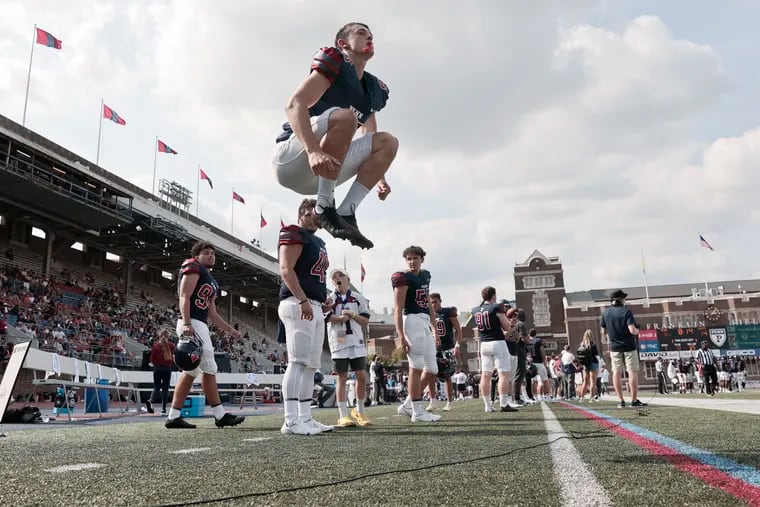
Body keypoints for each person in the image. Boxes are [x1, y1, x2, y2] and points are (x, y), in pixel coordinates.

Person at [273, 22, 399, 250]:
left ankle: (346, 211)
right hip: (293, 159)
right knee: (345, 117)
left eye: (372, 36)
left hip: (324, 172)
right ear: (343, 44)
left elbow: (369, 133)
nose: (370, 38)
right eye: (362, 34)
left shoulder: (374, 88)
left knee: (388, 141)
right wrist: (312, 151)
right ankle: (324, 207)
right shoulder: (336, 61)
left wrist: (380, 177)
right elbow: (294, 104)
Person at [165, 241, 245, 429]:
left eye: (213, 253)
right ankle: (220, 415)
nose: (211, 256)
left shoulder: (210, 279)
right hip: (191, 322)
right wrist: (186, 323)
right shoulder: (193, 267)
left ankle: (173, 416)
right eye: (207, 252)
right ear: (197, 255)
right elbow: (184, 296)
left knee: (191, 372)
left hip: (199, 323)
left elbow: (213, 314)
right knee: (209, 366)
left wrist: (231, 330)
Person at [278, 198, 335, 435]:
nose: (318, 216)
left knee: (311, 365)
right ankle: (290, 420)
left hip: (314, 304)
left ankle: (305, 417)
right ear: (303, 212)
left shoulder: (319, 241)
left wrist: (323, 298)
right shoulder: (294, 233)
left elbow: (314, 276)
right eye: (315, 211)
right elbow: (285, 269)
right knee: (298, 362)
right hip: (297, 303)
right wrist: (302, 299)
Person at [392, 246, 441, 422]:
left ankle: (407, 405)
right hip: (411, 321)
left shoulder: (426, 275)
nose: (412, 261)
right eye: (409, 258)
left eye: (415, 258)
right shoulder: (403, 278)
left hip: (424, 322)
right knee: (416, 366)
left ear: (422, 259)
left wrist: (434, 329)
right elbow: (397, 309)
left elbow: (428, 303)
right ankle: (417, 411)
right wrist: (401, 336)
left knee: (432, 369)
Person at [326, 268, 372, 427]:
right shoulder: (330, 298)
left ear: (348, 279)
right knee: (342, 377)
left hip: (356, 340)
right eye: (334, 277)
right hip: (339, 341)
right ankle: (343, 415)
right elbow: (326, 316)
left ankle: (360, 411)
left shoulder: (358, 298)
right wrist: (339, 318)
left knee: (361, 376)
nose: (338, 278)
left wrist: (353, 315)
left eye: (340, 275)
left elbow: (365, 321)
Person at [472, 287, 518, 413]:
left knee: (486, 375)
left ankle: (487, 406)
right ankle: (503, 404)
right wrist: (512, 323)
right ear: (493, 295)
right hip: (497, 342)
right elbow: (506, 326)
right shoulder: (496, 307)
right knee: (504, 374)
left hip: (484, 344)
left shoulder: (475, 310)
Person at [600, 289, 647, 408]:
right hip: (629, 346)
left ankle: (621, 401)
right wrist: (638, 330)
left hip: (614, 347)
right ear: (620, 300)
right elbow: (632, 330)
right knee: (632, 371)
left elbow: (604, 331)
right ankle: (634, 400)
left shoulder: (605, 313)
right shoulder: (626, 312)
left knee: (616, 372)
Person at [428, 293, 462, 412]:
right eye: (431, 302)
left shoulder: (448, 312)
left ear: (440, 301)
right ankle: (433, 401)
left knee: (447, 375)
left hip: (447, 347)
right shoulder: (428, 315)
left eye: (435, 302)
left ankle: (449, 403)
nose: (433, 304)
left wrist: (457, 345)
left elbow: (458, 330)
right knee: (430, 375)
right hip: (433, 348)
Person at [147, 330, 175, 414]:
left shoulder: (155, 346)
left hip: (157, 368)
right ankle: (163, 409)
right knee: (165, 389)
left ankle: (151, 400)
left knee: (156, 387)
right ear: (168, 336)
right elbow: (173, 357)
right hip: (167, 368)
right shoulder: (171, 346)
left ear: (159, 336)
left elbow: (152, 360)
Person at [512, 309, 535, 405]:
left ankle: (516, 396)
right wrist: (529, 339)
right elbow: (525, 339)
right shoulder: (521, 324)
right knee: (520, 374)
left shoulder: (513, 324)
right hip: (520, 351)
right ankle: (516, 397)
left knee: (515, 375)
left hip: (513, 350)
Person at [577, 330, 600, 401]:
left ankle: (581, 397)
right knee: (593, 382)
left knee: (585, 381)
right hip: (593, 363)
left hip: (586, 365)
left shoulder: (582, 345)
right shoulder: (593, 345)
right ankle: (591, 398)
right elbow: (596, 355)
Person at [530, 329, 552, 401]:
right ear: (536, 334)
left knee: (534, 381)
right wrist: (545, 362)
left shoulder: (529, 341)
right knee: (545, 380)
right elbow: (542, 351)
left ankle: (535, 397)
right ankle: (548, 397)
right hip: (539, 362)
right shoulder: (538, 341)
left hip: (531, 363)